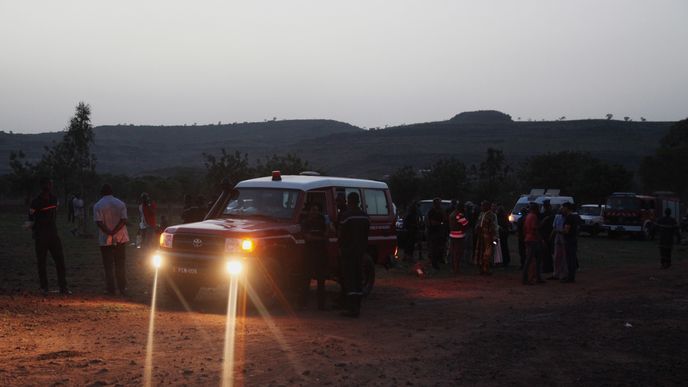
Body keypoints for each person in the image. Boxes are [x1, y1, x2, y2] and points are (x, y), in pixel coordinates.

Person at [29, 177, 69, 294]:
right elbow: (31, 217)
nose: (50, 186)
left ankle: (63, 287)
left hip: (52, 234)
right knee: (42, 262)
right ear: (45, 186)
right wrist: (33, 228)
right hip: (41, 235)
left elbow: (33, 218)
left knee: (60, 261)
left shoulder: (53, 199)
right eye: (49, 184)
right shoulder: (36, 202)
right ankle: (44, 287)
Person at [338, 192, 370, 317]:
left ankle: (352, 309)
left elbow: (341, 234)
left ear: (349, 201)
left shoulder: (346, 216)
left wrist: (340, 248)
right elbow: (367, 233)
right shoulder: (365, 216)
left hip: (348, 251)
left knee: (350, 279)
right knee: (358, 277)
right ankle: (357, 306)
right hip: (361, 251)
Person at [94, 184, 130, 296]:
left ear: (102, 193)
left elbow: (98, 222)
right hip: (120, 238)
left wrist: (109, 232)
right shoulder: (120, 204)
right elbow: (124, 220)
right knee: (120, 264)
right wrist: (115, 231)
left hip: (105, 240)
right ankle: (122, 288)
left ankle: (111, 289)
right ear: (112, 192)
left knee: (108, 265)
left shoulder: (98, 205)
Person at [300, 203, 329, 309]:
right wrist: (321, 238)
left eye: (316, 210)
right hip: (310, 253)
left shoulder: (322, 222)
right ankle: (302, 304)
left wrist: (318, 237)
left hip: (320, 254)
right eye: (313, 210)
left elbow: (327, 233)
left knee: (321, 280)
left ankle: (321, 305)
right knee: (305, 279)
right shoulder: (305, 222)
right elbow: (308, 237)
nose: (314, 212)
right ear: (309, 211)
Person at [473, 201, 498, 275]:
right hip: (481, 236)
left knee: (487, 253)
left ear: (487, 206)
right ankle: (481, 268)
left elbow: (493, 227)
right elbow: (478, 223)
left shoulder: (491, 215)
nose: (481, 207)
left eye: (483, 206)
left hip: (488, 237)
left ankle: (486, 268)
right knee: (480, 253)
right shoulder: (481, 214)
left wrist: (494, 237)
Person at [522, 202, 544, 285]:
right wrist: (540, 239)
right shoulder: (534, 216)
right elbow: (534, 229)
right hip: (533, 240)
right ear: (535, 209)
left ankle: (536, 277)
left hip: (528, 238)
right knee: (532, 259)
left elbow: (524, 228)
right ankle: (527, 278)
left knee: (533, 259)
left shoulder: (528, 216)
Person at [426, 198, 448, 270]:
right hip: (433, 232)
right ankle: (434, 263)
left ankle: (438, 260)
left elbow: (445, 219)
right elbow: (432, 222)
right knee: (434, 248)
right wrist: (440, 223)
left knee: (439, 247)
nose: (439, 204)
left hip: (439, 232)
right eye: (438, 203)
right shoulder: (432, 211)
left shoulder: (441, 211)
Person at [560, 202, 579, 283]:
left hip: (569, 240)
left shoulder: (569, 218)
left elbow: (566, 231)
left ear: (567, 208)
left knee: (569, 259)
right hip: (573, 239)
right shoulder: (575, 217)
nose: (562, 209)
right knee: (572, 258)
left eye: (563, 207)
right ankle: (571, 276)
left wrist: (559, 231)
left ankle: (570, 277)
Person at [448, 203, 469, 274]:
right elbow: (466, 224)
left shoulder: (452, 214)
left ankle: (453, 267)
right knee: (458, 252)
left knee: (453, 252)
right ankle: (457, 269)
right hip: (459, 235)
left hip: (452, 235)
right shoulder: (460, 215)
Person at [539, 200, 555, 274]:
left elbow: (540, 225)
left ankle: (546, 268)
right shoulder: (552, 214)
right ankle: (549, 267)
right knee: (548, 252)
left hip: (545, 235)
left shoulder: (545, 215)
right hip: (549, 235)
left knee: (545, 253)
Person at [551, 208, 568, 280]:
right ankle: (556, 273)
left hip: (564, 237)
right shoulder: (557, 217)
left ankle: (563, 274)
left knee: (564, 256)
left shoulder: (568, 218)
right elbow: (554, 227)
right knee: (556, 256)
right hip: (558, 236)